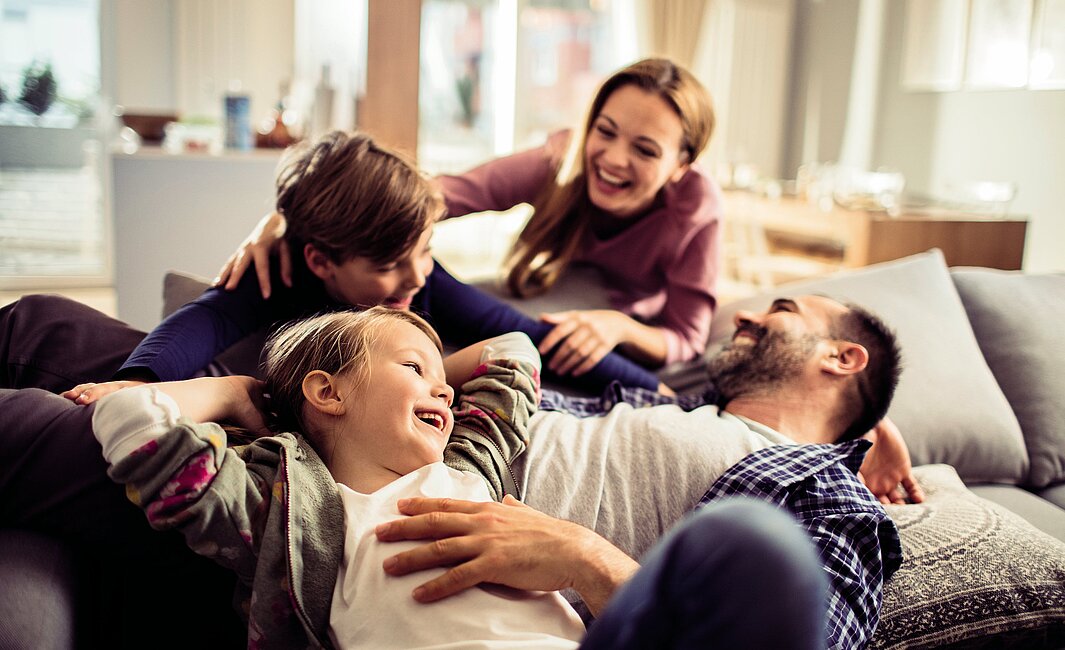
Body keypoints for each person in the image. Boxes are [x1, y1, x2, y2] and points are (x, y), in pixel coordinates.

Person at [88, 306, 829, 648]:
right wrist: (235, 392)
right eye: (416, 369)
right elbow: (135, 428)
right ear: (327, 393)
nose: (445, 389)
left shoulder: (470, 465)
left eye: (442, 375)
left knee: (755, 541)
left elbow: (512, 352)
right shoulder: (285, 501)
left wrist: (413, 373)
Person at [374, 294, 910, 650]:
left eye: (782, 309)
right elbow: (496, 335)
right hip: (376, 479)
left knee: (756, 539)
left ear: (843, 359)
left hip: (489, 618)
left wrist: (583, 558)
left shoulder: (831, 498)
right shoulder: (669, 406)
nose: (745, 317)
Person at [17, 129, 664, 403]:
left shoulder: (421, 281)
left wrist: (655, 390)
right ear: (320, 261)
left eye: (426, 251)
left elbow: (519, 328)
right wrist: (140, 382)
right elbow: (202, 321)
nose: (416, 277)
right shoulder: (281, 282)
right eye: (389, 265)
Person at [218, 57, 722, 379]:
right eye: (605, 131)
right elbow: (428, 199)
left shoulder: (695, 207)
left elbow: (687, 336)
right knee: (449, 307)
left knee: (477, 336)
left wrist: (620, 329)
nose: (613, 158)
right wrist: (289, 219)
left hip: (615, 317)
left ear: (681, 163)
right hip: (546, 289)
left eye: (645, 150)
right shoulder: (560, 160)